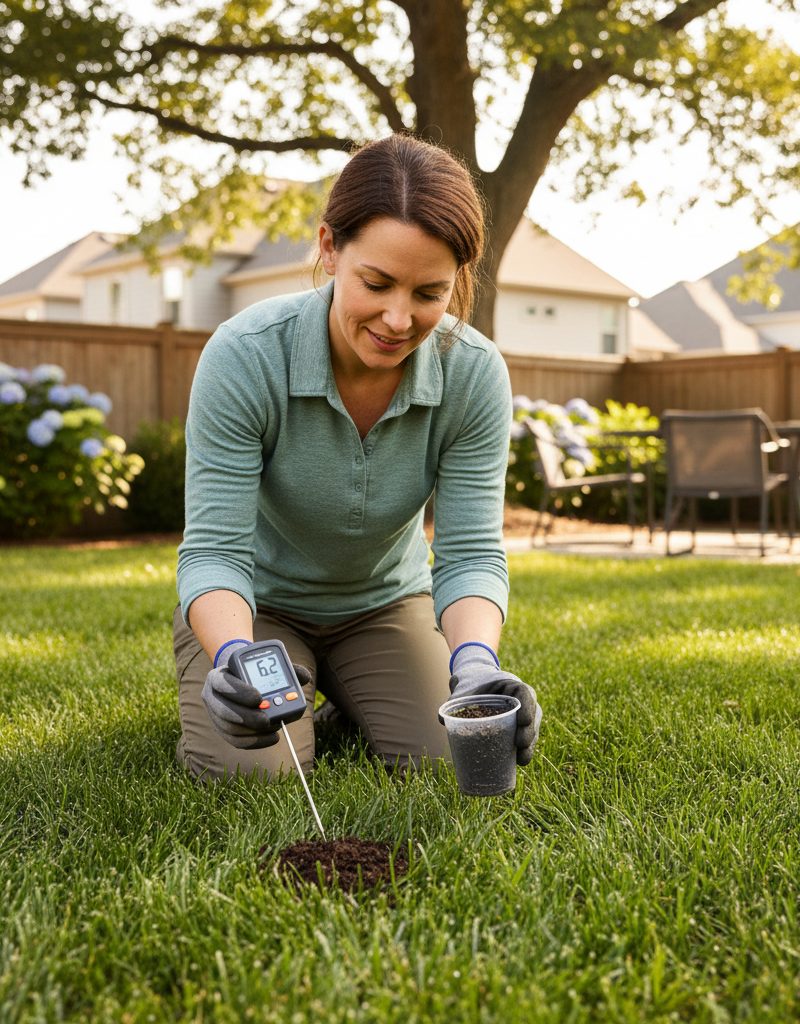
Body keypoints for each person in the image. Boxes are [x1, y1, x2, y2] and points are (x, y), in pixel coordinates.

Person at [173, 133, 542, 783]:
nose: (399, 319)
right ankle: (282, 686)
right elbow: (214, 552)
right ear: (328, 250)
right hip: (258, 607)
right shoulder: (245, 354)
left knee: (446, 762)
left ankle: (348, 696)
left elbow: (471, 553)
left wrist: (477, 663)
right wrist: (232, 652)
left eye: (429, 293)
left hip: (384, 604)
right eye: (377, 283)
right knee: (255, 775)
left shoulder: (475, 374)